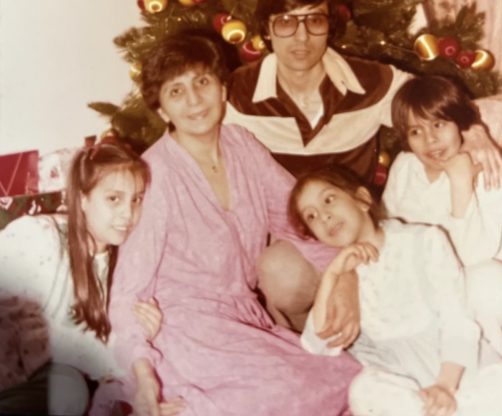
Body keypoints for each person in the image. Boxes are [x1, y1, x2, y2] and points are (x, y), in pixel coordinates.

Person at [94, 33, 360, 416]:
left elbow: (299, 219)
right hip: (187, 328)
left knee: (349, 376)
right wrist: (142, 371)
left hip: (244, 319)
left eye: (202, 82)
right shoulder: (154, 174)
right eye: (176, 91)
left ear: (222, 89)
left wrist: (344, 272)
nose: (194, 100)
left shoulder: (243, 144)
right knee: (282, 393)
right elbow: (127, 292)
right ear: (163, 110)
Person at [225, 0, 502, 328]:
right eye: (285, 22)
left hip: (360, 229)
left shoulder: (371, 82)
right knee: (281, 277)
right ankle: (306, 341)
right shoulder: (237, 94)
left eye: (314, 21)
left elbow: (434, 104)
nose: (301, 36)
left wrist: (475, 131)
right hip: (291, 240)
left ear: (331, 26)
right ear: (265, 28)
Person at [289, 165, 502, 416]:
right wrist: (333, 275)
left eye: (328, 200)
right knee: (364, 390)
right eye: (311, 216)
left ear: (362, 199)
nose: (323, 216)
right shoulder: (342, 275)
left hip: (460, 373)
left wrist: (445, 386)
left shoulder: (423, 240)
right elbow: (317, 345)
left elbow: (458, 318)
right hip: (410, 393)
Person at [0, 137, 158, 416]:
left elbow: (84, 342)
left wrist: (143, 334)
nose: (128, 213)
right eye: (114, 199)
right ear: (83, 199)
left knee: (69, 387)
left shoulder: (113, 263)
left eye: (136, 199)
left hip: (41, 386)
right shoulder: (39, 237)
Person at [383, 74, 502, 361]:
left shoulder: (486, 167)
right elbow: (390, 233)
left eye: (438, 125)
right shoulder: (405, 167)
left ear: (460, 125)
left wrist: (461, 185)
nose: (430, 140)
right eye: (415, 132)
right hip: (423, 285)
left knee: (485, 283)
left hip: (482, 286)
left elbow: (473, 255)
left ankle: (497, 371)